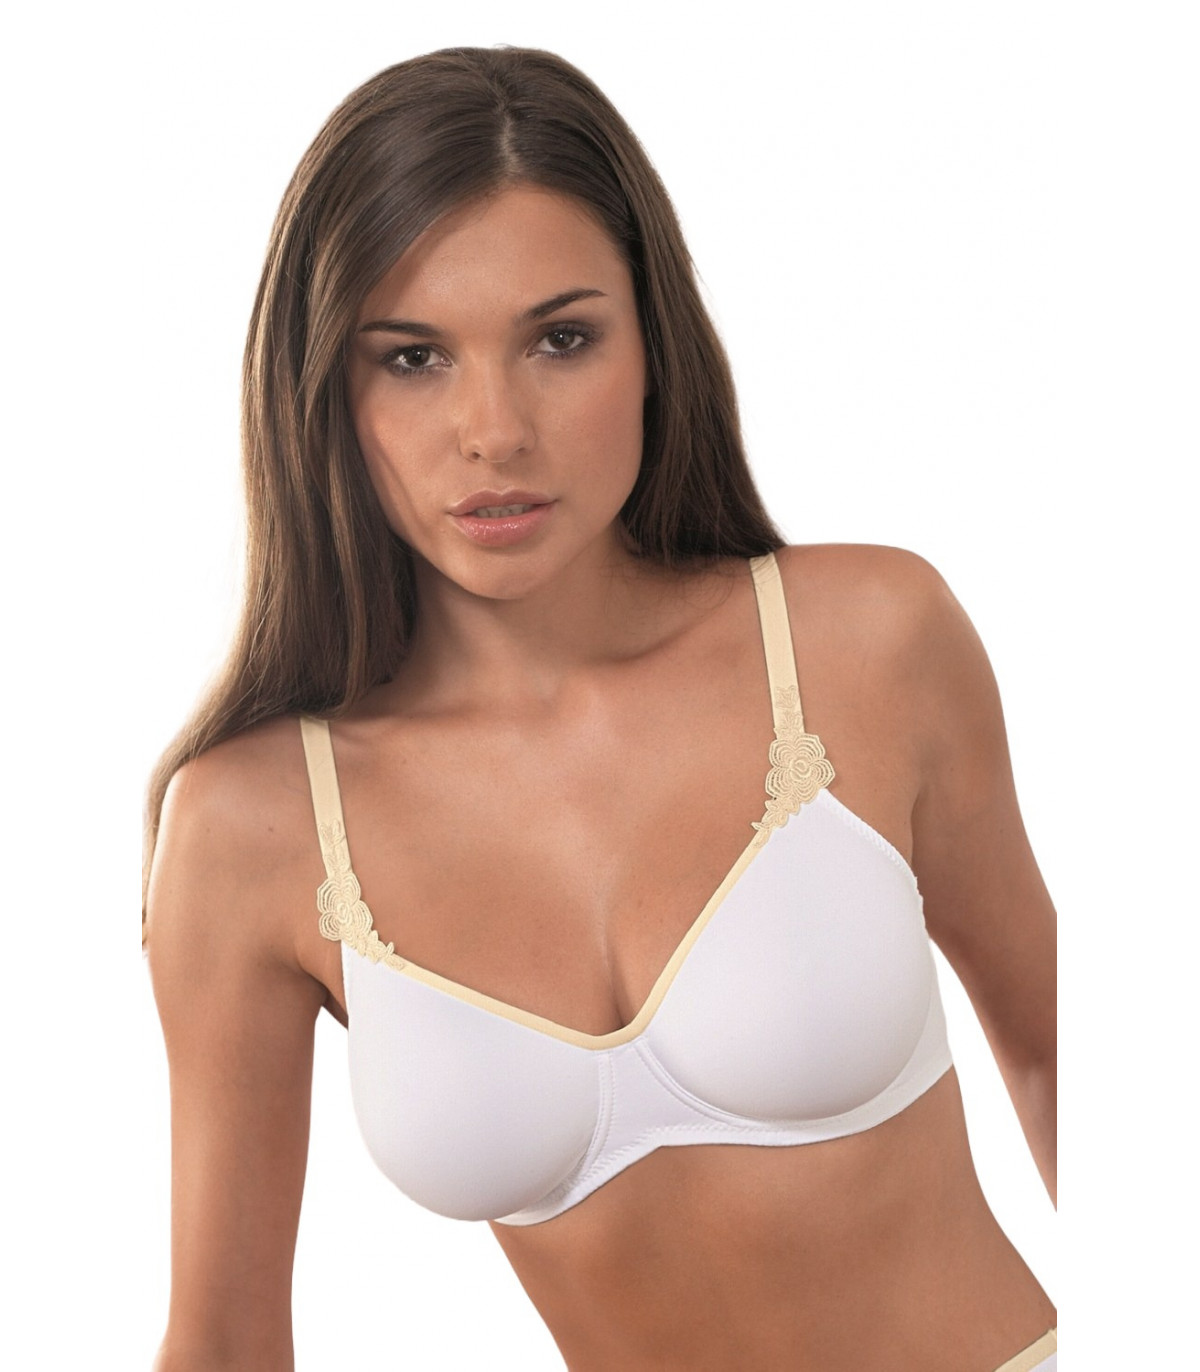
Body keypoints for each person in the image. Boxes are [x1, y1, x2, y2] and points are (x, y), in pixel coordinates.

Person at [144, 45, 1057, 1372]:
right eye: (413, 359)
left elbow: (1064, 1062)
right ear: (327, 393)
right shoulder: (254, 827)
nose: (494, 431)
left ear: (651, 347)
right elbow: (225, 1343)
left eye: (559, 339)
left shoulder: (865, 641)